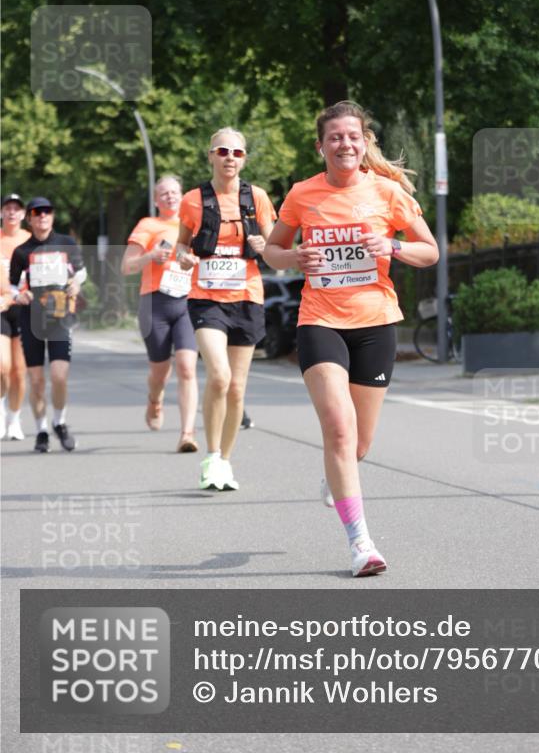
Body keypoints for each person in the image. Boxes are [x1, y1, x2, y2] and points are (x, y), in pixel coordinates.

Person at [263, 101, 438, 577]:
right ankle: (361, 543)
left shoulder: (387, 192)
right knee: (339, 429)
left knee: (359, 443)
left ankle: (337, 475)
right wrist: (295, 257)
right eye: (335, 137)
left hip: (375, 323)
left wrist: (394, 245)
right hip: (320, 320)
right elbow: (274, 250)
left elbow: (430, 251)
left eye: (353, 136)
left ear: (365, 143)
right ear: (320, 146)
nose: (345, 144)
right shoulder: (303, 194)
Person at [176, 127, 276, 491]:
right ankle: (211, 454)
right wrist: (184, 257)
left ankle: (225, 462)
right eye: (222, 151)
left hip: (247, 296)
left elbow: (276, 247)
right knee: (219, 375)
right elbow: (181, 246)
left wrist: (264, 245)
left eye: (237, 152)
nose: (229, 158)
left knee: (237, 388)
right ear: (211, 156)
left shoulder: (257, 197)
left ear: (244, 159)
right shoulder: (193, 200)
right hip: (206, 296)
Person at [121, 175, 199, 452]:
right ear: (156, 200)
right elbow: (127, 266)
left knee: (187, 367)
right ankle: (155, 399)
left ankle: (187, 434)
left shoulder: (193, 224)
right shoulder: (148, 225)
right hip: (155, 303)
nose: (170, 196)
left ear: (182, 195)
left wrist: (194, 260)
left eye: (174, 192)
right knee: (159, 372)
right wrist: (150, 256)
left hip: (187, 302)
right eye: (164, 193)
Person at [9, 197, 87, 453]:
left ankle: (59, 423)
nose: (43, 215)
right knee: (36, 380)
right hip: (31, 319)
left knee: (59, 376)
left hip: (60, 317)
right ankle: (41, 430)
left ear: (52, 216)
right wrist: (19, 295)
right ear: (29, 219)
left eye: (47, 211)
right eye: (37, 212)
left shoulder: (66, 243)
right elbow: (12, 286)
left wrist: (76, 283)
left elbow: (81, 271)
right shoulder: (22, 251)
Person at [1, 194, 30, 441]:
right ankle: (0, 410)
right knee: (3, 366)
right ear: (1, 213)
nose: (12, 212)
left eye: (16, 209)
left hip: (24, 308)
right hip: (0, 308)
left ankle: (15, 418)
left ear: (23, 214)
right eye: (7, 208)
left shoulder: (31, 240)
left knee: (19, 371)